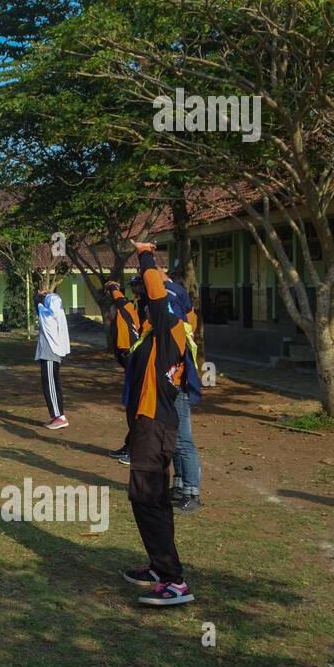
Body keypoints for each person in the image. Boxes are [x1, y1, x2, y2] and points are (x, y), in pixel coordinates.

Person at [120, 241, 194, 606]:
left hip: (155, 427)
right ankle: (157, 565)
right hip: (150, 426)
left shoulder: (170, 330)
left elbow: (154, 288)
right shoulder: (156, 332)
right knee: (153, 499)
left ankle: (172, 579)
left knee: (147, 498)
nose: (142, 299)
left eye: (147, 297)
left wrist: (146, 254)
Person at [163, 277, 203, 514]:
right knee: (176, 440)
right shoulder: (181, 322)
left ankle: (192, 492)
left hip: (178, 389)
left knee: (183, 442)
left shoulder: (176, 328)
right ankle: (179, 486)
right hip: (174, 388)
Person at [105, 277, 142, 461]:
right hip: (131, 365)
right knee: (131, 407)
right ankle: (130, 445)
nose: (109, 318)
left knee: (134, 408)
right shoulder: (123, 320)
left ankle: (136, 450)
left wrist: (112, 287)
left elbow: (120, 300)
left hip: (135, 363)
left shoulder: (126, 311)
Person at [35, 287, 70, 428]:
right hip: (50, 352)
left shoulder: (50, 316)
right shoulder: (56, 315)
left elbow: (42, 311)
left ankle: (59, 417)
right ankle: (58, 415)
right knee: (52, 384)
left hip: (50, 352)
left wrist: (39, 300)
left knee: (50, 385)